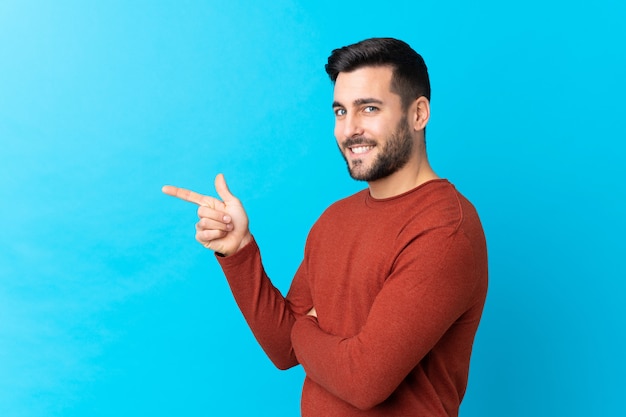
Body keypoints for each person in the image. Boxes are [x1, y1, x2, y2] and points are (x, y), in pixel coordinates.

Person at [162, 37, 488, 417]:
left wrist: (305, 331)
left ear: (418, 114)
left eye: (369, 108)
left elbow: (363, 381)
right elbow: (285, 349)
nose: (350, 129)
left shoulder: (444, 230)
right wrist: (238, 251)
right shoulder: (334, 220)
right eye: (340, 111)